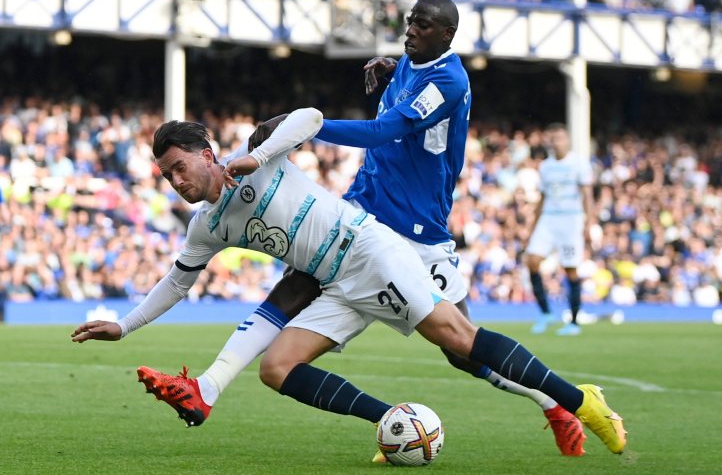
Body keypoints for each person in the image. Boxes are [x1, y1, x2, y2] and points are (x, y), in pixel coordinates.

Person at [128, 0, 584, 457]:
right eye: (410, 22)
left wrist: (302, 130)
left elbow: (383, 131)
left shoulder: (446, 80)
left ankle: (562, 402)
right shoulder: (409, 63)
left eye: (422, 26)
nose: (410, 31)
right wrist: (391, 71)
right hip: (368, 216)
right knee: (288, 316)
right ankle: (212, 389)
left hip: (418, 231)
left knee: (460, 347)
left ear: (446, 35)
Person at [71, 109, 627, 458]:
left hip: (370, 251)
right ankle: (396, 421)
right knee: (276, 368)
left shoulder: (260, 161)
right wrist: (124, 325)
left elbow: (310, 117)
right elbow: (176, 282)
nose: (175, 181)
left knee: (459, 340)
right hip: (336, 285)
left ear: (207, 154)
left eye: (178, 167)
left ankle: (582, 402)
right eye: (166, 175)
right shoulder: (208, 225)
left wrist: (260, 152)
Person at [525, 123, 594, 336]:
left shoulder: (579, 163)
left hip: (571, 220)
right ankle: (546, 312)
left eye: (560, 138)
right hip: (548, 219)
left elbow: (587, 194)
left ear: (568, 140)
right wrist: (532, 226)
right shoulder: (545, 166)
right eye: (553, 138)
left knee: (570, 269)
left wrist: (588, 223)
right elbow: (543, 198)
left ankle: (573, 321)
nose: (557, 142)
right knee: (532, 261)